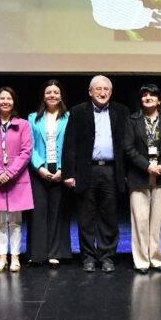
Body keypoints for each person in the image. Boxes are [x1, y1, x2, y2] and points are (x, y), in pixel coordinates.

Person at [63, 75, 129, 273]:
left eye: (106, 89)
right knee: (86, 217)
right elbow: (69, 145)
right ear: (90, 92)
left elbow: (126, 146)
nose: (102, 93)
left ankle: (107, 257)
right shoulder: (78, 111)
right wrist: (68, 173)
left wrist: (125, 173)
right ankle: (88, 257)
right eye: (98, 89)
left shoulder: (122, 111)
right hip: (86, 171)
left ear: (111, 92)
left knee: (109, 217)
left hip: (111, 170)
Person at [124, 83, 161, 273]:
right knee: (139, 221)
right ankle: (141, 261)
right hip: (139, 175)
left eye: (152, 95)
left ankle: (155, 258)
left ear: (159, 100)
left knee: (157, 221)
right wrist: (147, 166)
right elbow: (128, 148)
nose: (148, 98)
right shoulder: (132, 120)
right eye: (144, 95)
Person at [0, 87, 33, 273]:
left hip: (16, 178)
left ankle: (15, 257)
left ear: (14, 102)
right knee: (0, 221)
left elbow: (26, 152)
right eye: (2, 98)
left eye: (9, 98)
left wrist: (9, 173)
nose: (5, 101)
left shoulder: (23, 125)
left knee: (16, 221)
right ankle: (2, 257)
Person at [26, 80, 71, 269]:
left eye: (56, 92)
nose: (52, 95)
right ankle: (37, 254)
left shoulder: (69, 117)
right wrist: (40, 167)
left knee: (57, 212)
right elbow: (29, 145)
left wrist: (63, 169)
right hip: (39, 170)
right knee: (38, 213)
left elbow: (71, 145)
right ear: (43, 96)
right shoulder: (32, 118)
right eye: (48, 92)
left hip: (61, 170)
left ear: (61, 96)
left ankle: (55, 253)